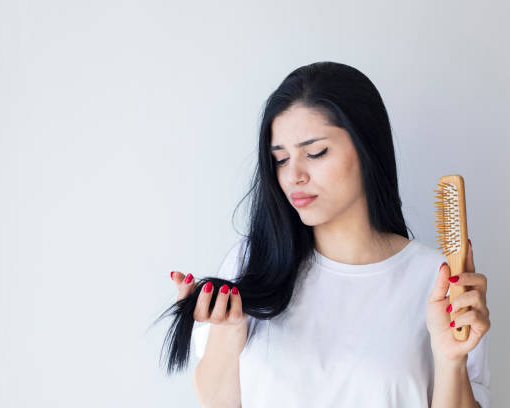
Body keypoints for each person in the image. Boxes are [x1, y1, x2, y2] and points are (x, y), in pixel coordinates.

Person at [163, 61, 491, 407]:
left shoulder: (440, 282)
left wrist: (450, 360)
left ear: (367, 149)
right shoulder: (251, 263)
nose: (294, 176)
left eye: (315, 153)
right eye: (281, 159)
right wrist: (228, 330)